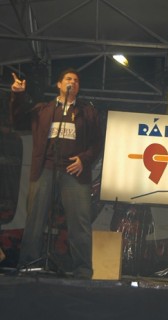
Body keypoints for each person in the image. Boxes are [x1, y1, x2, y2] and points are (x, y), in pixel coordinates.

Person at [10, 68, 103, 279]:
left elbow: (97, 142)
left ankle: (82, 271)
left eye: (77, 80)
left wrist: (84, 159)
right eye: (69, 79)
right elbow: (17, 122)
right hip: (46, 168)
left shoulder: (87, 112)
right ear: (59, 85)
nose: (73, 82)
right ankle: (28, 265)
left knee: (80, 222)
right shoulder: (44, 109)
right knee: (35, 219)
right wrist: (18, 96)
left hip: (74, 171)